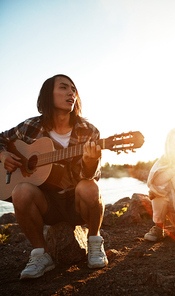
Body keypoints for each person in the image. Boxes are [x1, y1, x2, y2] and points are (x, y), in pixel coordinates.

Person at [0, 74, 108, 279]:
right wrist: (4, 154)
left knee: (89, 186)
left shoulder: (88, 131)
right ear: (48, 95)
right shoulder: (30, 127)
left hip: (75, 204)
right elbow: (1, 139)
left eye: (74, 89)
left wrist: (91, 161)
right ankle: (41, 254)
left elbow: (90, 176)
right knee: (20, 191)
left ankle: (94, 242)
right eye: (64, 87)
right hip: (46, 204)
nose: (71, 93)